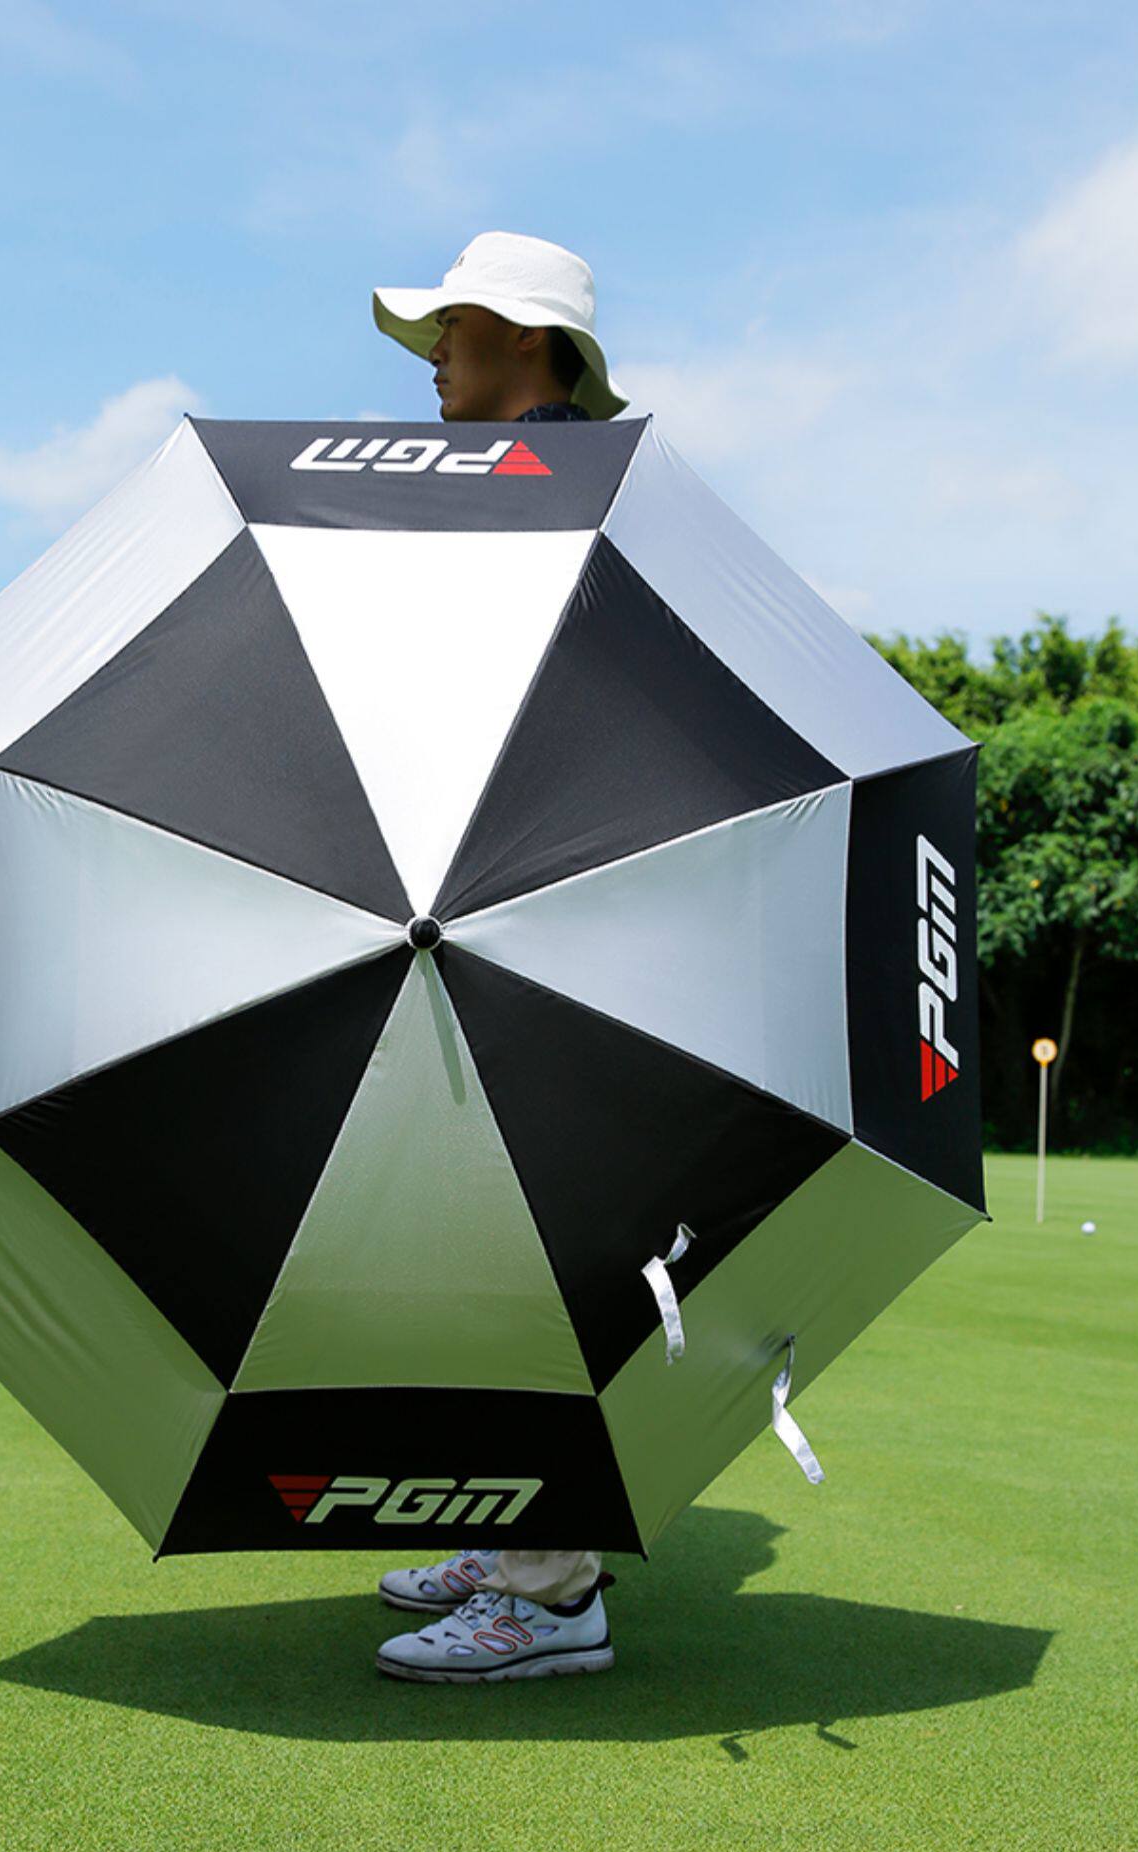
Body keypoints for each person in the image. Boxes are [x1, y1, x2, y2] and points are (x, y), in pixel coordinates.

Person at [368, 231, 629, 1684]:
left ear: (524, 339)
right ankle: (515, 1528)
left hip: (548, 919)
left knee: (535, 1247)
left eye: (452, 329)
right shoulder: (518, 485)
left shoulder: (569, 490)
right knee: (480, 1240)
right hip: (505, 908)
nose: (431, 359)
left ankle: (553, 1593)